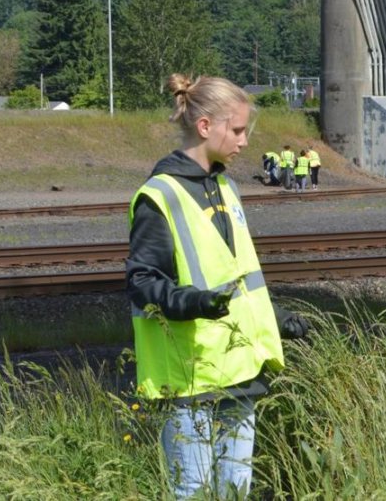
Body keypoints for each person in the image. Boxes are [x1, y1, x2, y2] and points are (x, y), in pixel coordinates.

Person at [126, 73, 310, 499]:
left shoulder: (226, 186)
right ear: (205, 126)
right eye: (239, 130)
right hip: (191, 374)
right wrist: (197, 303)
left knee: (235, 488)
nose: (245, 141)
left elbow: (238, 277)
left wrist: (277, 318)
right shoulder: (161, 196)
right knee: (192, 490)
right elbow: (142, 282)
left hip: (238, 368)